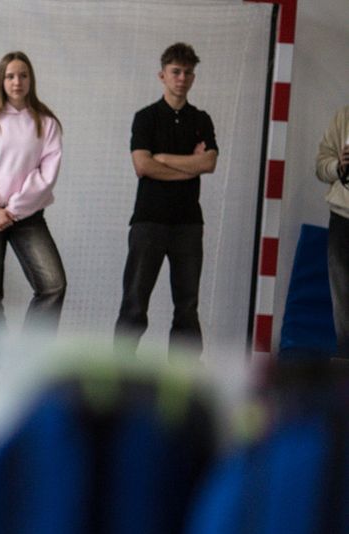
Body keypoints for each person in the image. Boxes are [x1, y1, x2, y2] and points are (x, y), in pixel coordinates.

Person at [0, 51, 66, 375]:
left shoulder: (45, 124)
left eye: (22, 75)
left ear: (30, 80)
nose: (16, 81)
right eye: (10, 76)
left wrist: (13, 209)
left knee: (53, 285)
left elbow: (46, 175)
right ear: (1, 81)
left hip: (27, 217)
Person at [114, 42, 217, 359]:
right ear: (162, 75)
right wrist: (190, 166)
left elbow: (209, 163)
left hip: (188, 224)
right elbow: (142, 165)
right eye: (176, 72)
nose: (182, 78)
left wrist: (164, 159)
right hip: (148, 222)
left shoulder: (201, 120)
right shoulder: (145, 118)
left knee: (187, 305)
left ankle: (183, 374)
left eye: (188, 72)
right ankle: (120, 371)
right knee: (135, 301)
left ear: (193, 78)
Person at [316, 104, 349, 359]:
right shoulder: (343, 116)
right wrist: (339, 166)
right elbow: (320, 166)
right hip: (343, 219)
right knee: (344, 304)